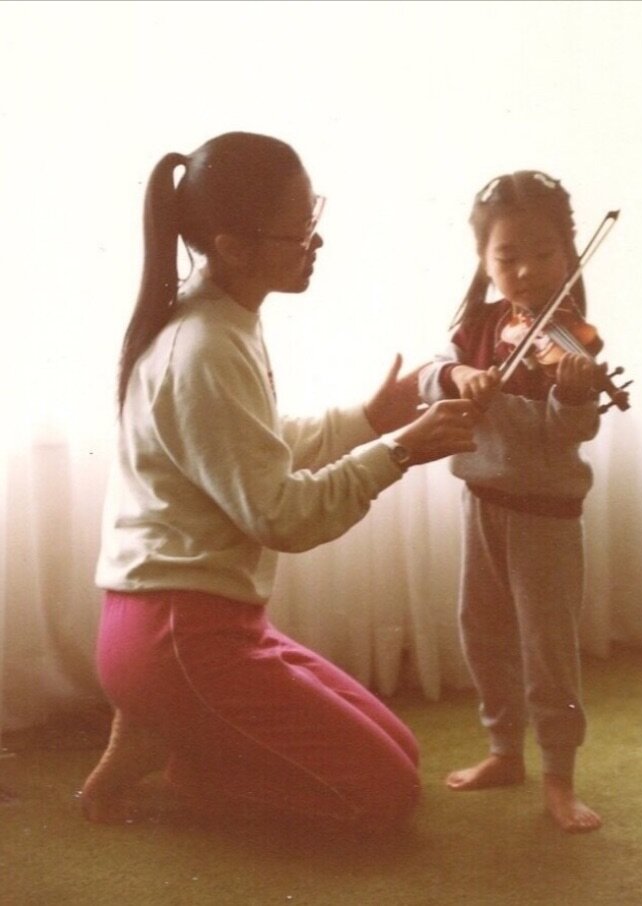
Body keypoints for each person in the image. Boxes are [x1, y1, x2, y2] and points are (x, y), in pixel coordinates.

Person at [80, 131, 477, 834]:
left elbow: (253, 449)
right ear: (232, 245)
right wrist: (397, 452)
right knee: (382, 797)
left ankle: (170, 729)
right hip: (178, 638)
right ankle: (181, 754)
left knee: (402, 751)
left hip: (200, 625)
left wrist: (367, 420)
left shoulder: (223, 321)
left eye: (312, 219)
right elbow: (281, 516)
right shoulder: (203, 346)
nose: (313, 243)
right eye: (299, 231)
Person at [418, 170, 607, 833]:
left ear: (567, 252)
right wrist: (459, 373)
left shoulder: (572, 340)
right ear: (483, 260)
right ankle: (504, 750)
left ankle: (559, 775)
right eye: (507, 256)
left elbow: (567, 431)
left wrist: (577, 391)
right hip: (481, 502)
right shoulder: (475, 324)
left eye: (543, 253)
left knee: (546, 648)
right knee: (482, 633)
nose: (526, 271)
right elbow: (425, 375)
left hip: (544, 517)